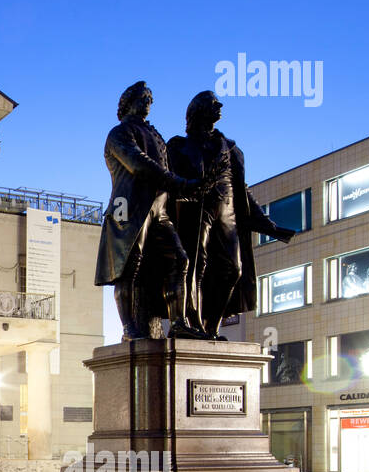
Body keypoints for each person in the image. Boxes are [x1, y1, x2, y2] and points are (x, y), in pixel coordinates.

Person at [166, 91, 295, 337]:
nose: (220, 106)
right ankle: (195, 324)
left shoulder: (230, 147)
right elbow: (171, 183)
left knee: (233, 269)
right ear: (198, 110)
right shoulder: (178, 146)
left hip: (227, 211)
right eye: (214, 103)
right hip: (194, 207)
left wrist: (267, 224)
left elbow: (242, 190)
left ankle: (212, 326)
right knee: (194, 267)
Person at [95, 81, 207, 340]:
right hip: (130, 208)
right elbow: (139, 165)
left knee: (180, 260)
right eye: (144, 97)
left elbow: (164, 175)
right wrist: (180, 183)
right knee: (128, 266)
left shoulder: (155, 135)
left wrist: (190, 191)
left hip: (159, 209)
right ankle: (128, 328)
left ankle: (178, 322)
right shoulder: (119, 133)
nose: (149, 102)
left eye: (150, 98)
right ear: (128, 102)